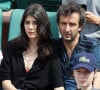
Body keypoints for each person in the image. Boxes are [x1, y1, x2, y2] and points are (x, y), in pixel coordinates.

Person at [0, 4, 64, 90]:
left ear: (43, 25)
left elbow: (58, 85)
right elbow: (5, 81)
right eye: (27, 22)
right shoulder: (11, 46)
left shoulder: (52, 50)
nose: (30, 27)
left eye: (35, 23)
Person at [53, 1, 100, 90]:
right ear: (58, 25)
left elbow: (98, 77)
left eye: (72, 24)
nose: (67, 29)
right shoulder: (52, 46)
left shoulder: (92, 46)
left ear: (80, 26)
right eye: (63, 23)